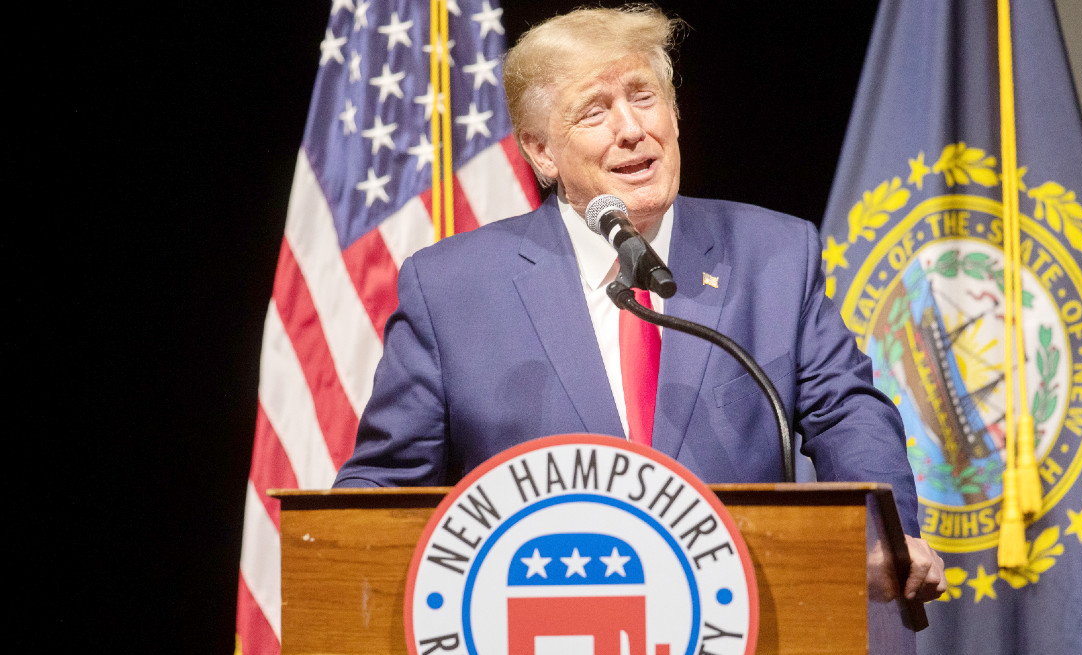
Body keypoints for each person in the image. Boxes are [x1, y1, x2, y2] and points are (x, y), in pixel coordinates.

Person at [334, 5, 946, 602]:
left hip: (746, 614)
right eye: (594, 111)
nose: (632, 128)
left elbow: (846, 410)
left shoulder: (775, 254)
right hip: (539, 620)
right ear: (542, 152)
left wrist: (880, 533)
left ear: (674, 114)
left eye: (644, 96)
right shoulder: (452, 288)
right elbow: (384, 485)